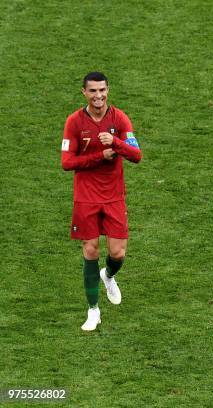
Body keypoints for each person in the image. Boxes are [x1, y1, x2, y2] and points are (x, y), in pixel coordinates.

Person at [61, 72, 142, 331]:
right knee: (91, 250)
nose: (98, 96)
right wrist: (100, 155)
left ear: (108, 90)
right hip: (85, 197)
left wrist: (116, 143)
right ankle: (93, 310)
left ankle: (107, 276)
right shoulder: (74, 122)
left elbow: (137, 155)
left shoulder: (119, 119)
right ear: (84, 92)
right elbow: (67, 163)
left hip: (113, 196)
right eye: (93, 91)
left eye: (102, 90)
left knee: (118, 253)